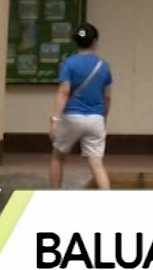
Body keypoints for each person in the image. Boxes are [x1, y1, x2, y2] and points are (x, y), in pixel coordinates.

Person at [48, 23, 112, 190]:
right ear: (95, 41)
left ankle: (54, 194)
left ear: (75, 42)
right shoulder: (103, 66)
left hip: (72, 117)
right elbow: (107, 96)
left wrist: (55, 119)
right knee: (97, 163)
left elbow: (64, 91)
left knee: (57, 156)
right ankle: (109, 199)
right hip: (96, 117)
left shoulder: (68, 64)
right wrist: (104, 119)